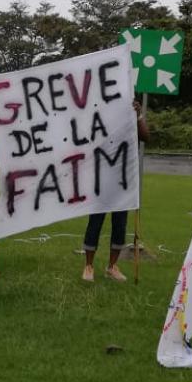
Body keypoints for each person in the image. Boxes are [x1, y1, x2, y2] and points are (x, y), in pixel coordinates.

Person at [81, 100, 150, 282]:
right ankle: (88, 266)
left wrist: (139, 116)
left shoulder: (130, 116)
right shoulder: (99, 116)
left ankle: (112, 267)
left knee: (119, 225)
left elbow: (146, 136)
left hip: (122, 183)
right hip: (101, 181)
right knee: (95, 223)